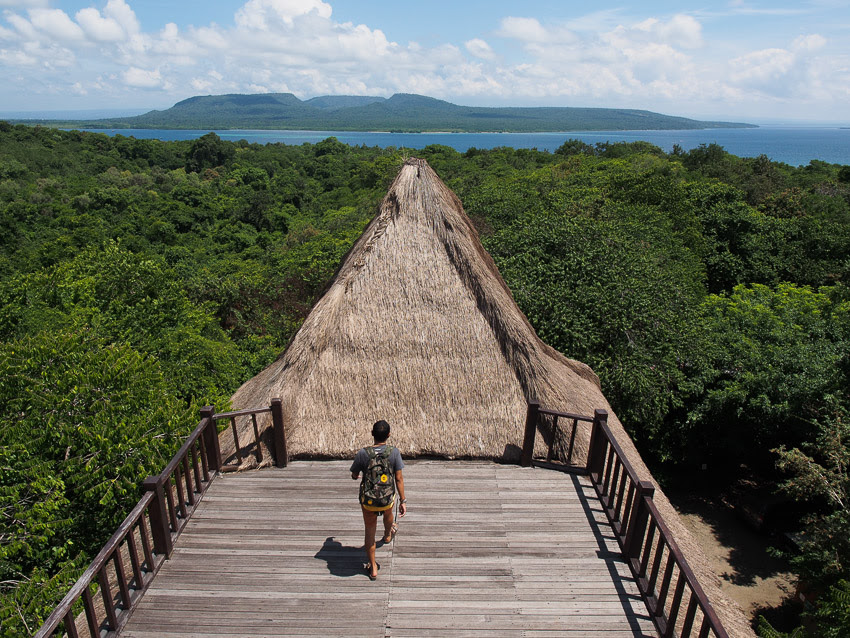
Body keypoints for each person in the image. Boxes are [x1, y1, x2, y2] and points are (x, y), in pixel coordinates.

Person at [350, 419, 407, 580]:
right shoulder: (394, 452)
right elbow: (399, 479)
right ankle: (388, 534)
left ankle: (373, 567)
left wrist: (357, 476)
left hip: (368, 500)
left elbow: (354, 475)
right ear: (389, 435)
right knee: (388, 515)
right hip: (387, 497)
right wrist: (403, 501)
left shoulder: (363, 453)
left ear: (372, 434)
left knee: (370, 531)